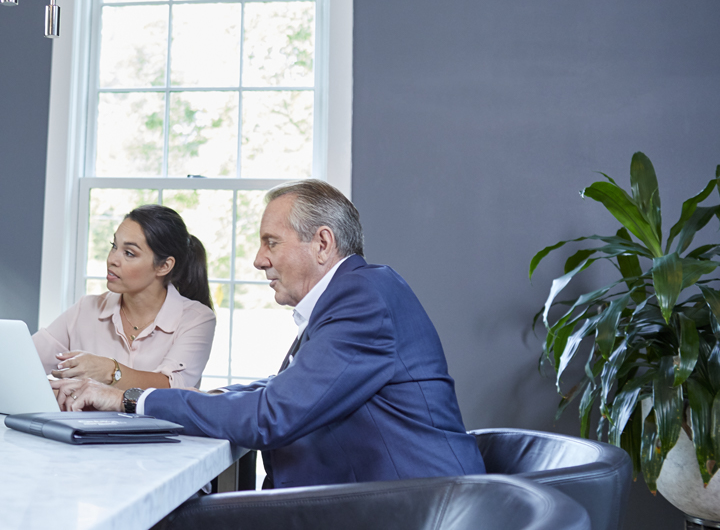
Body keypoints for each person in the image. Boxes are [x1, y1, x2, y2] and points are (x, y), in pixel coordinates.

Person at [52, 180, 486, 488]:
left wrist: (129, 398)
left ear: (322, 243)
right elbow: (285, 391)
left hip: (415, 509)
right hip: (376, 498)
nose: (259, 260)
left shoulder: (363, 301)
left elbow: (272, 415)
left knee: (168, 517)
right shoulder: (355, 297)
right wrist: (212, 399)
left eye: (271, 242)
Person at [34, 204, 216, 390]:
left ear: (164, 266)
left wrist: (109, 371)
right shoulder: (85, 309)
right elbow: (23, 361)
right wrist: (56, 392)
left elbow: (172, 389)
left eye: (129, 253)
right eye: (114, 246)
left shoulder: (197, 318)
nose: (112, 259)